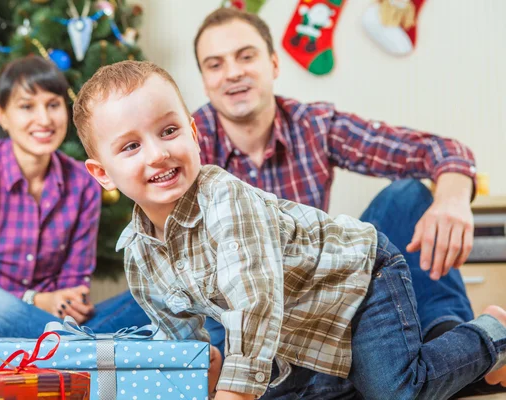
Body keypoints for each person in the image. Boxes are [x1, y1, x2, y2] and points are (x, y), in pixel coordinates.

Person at [73, 60, 506, 400]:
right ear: (102, 173)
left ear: (192, 133)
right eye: (131, 146)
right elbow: (178, 332)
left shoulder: (223, 197)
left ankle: (491, 334)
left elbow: (254, 305)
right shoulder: (139, 250)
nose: (158, 153)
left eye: (169, 131)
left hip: (361, 280)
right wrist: (198, 374)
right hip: (304, 322)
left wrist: (233, 391)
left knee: (395, 390)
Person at [192, 7, 479, 351]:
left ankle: (454, 342)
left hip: (323, 298)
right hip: (235, 313)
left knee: (407, 197)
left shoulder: (315, 125)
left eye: (246, 56)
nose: (233, 73)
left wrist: (452, 198)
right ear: (205, 81)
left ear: (273, 64)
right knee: (123, 322)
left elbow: (438, 150)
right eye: (215, 64)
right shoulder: (187, 143)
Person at [0, 55, 148, 338]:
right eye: (26, 106)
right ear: (2, 115)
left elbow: (74, 284)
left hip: (60, 326)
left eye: (53, 105)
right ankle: (81, 350)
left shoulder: (82, 183)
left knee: (161, 295)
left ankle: (71, 349)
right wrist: (35, 300)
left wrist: (70, 302)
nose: (45, 119)